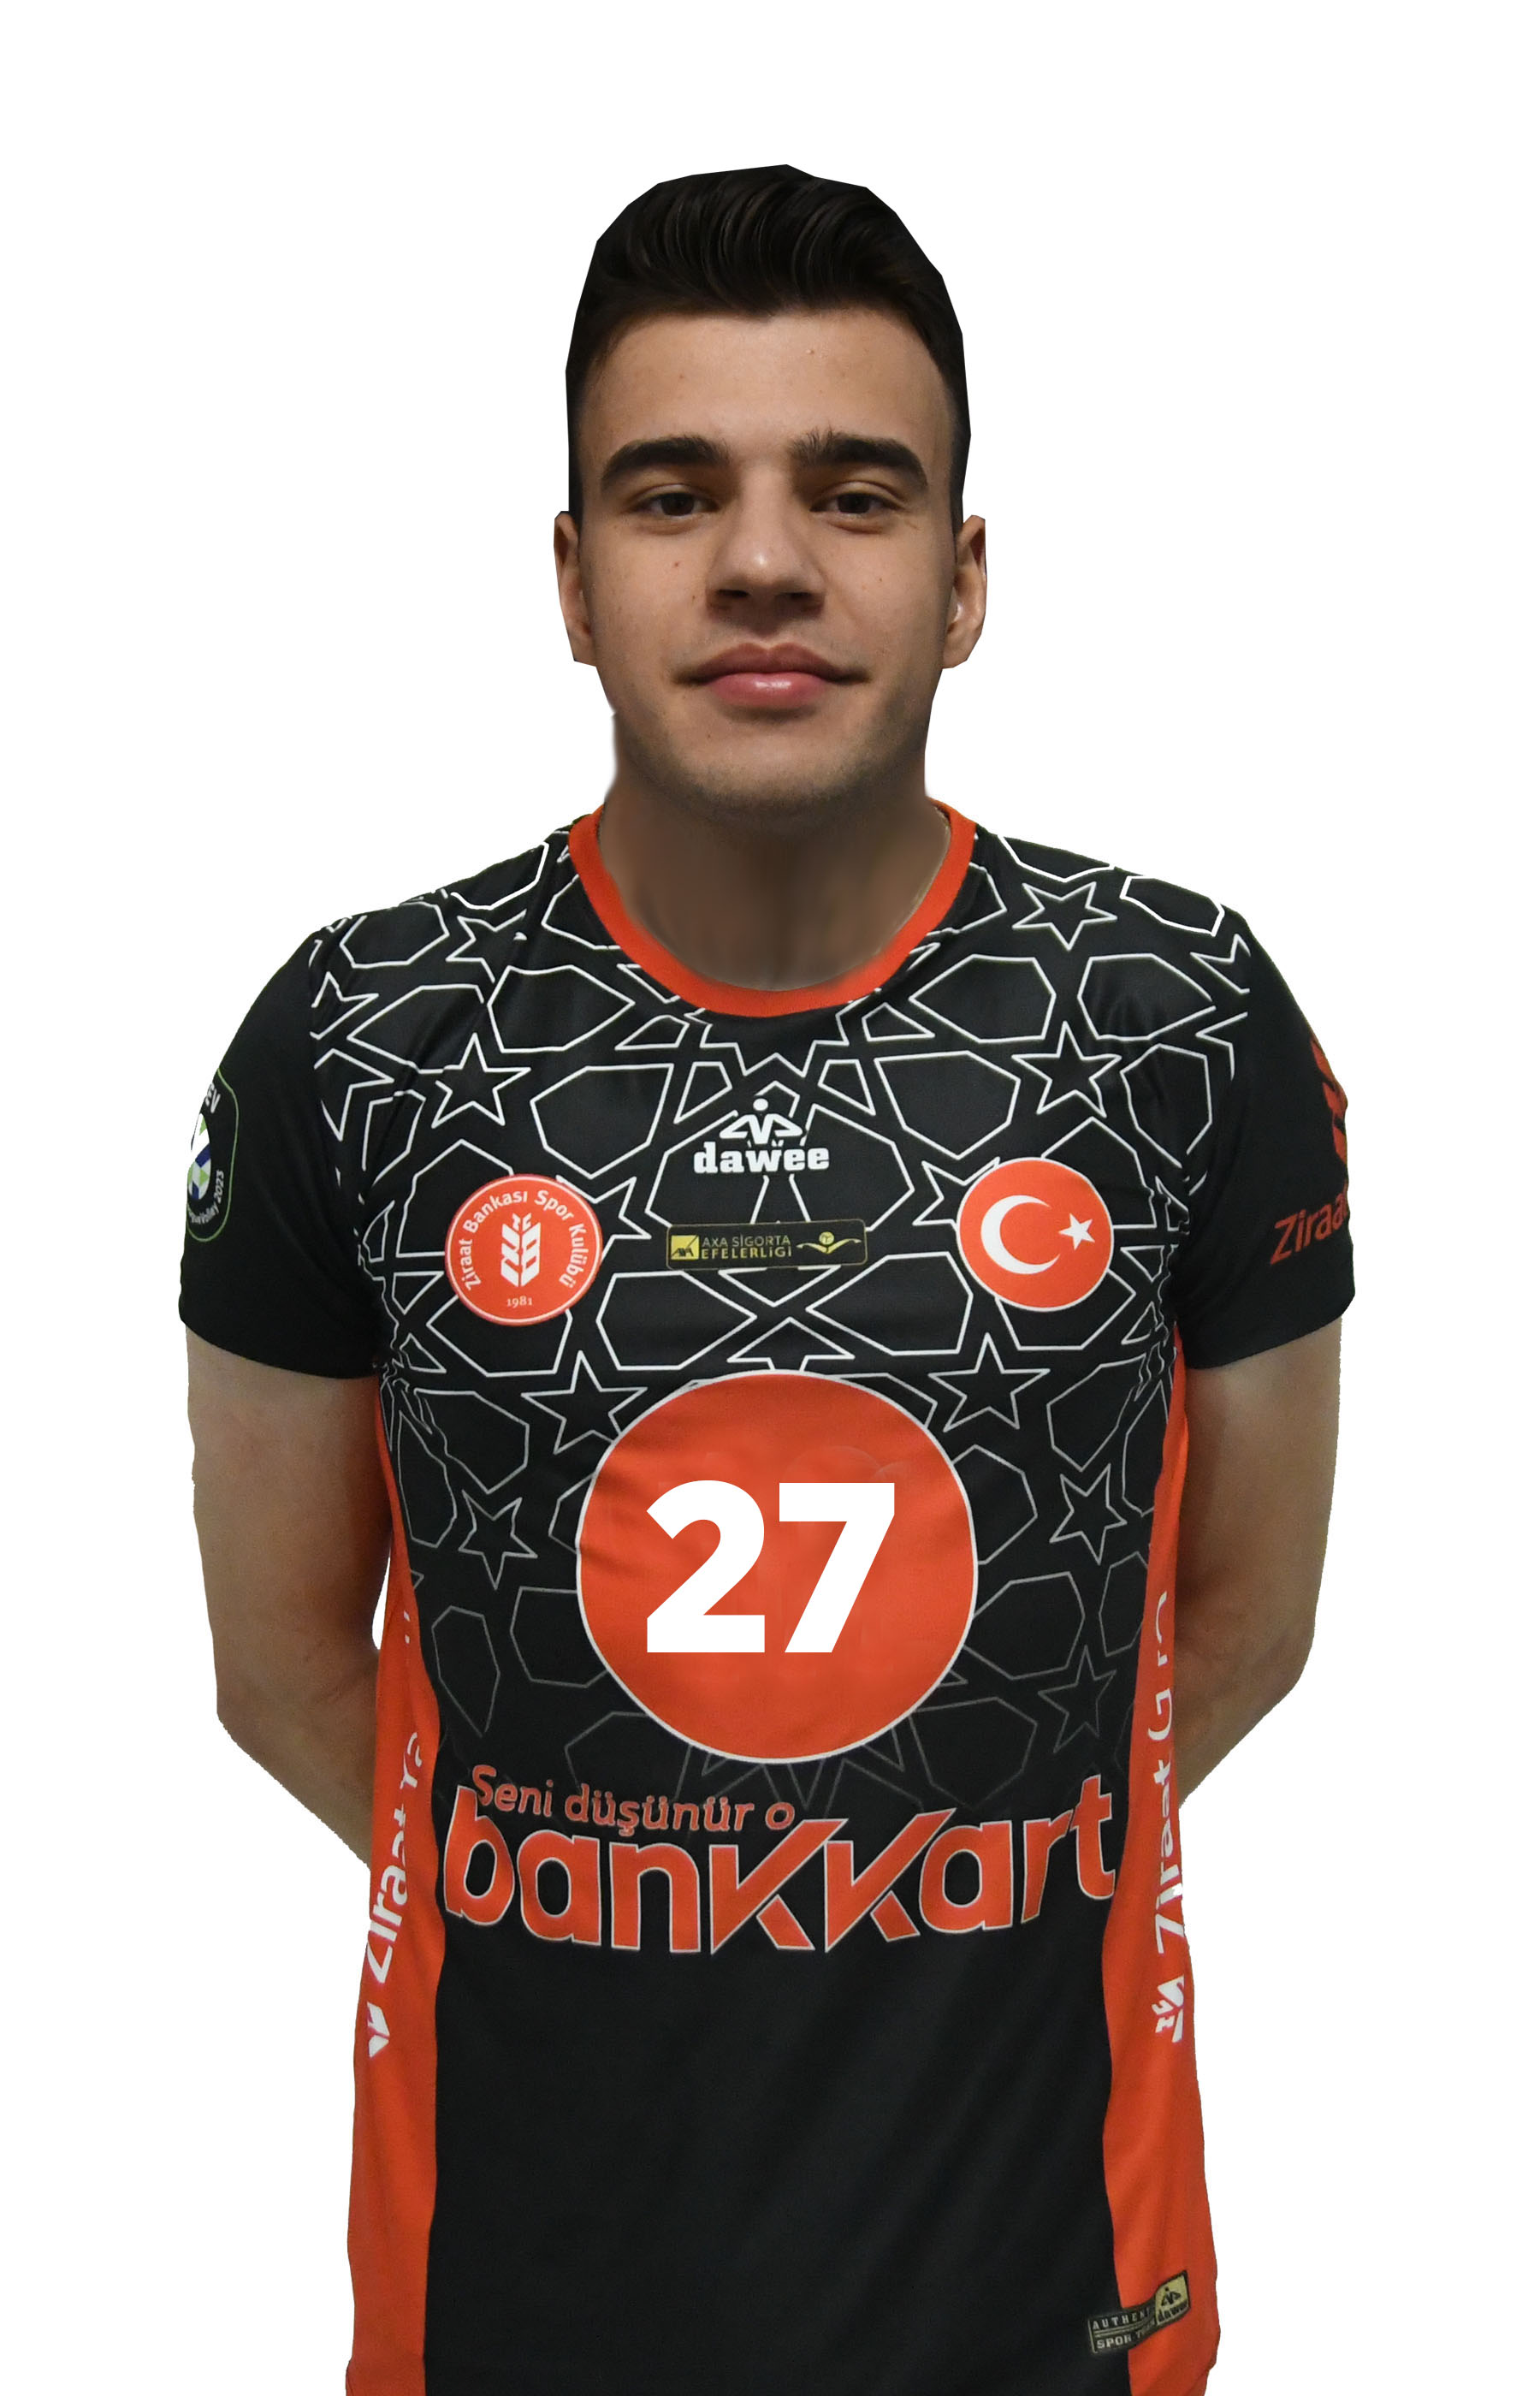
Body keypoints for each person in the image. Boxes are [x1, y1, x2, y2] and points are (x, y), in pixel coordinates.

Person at [182, 164, 1352, 2396]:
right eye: (671, 492)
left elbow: (1247, 1621)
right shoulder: (360, 1035)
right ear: (569, 576)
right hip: (510, 2306)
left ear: (966, 576)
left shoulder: (1180, 1012)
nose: (761, 562)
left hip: (1062, 2304)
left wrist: (894, 1869)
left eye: (853, 489)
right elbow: (283, 1669)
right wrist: (674, 1906)